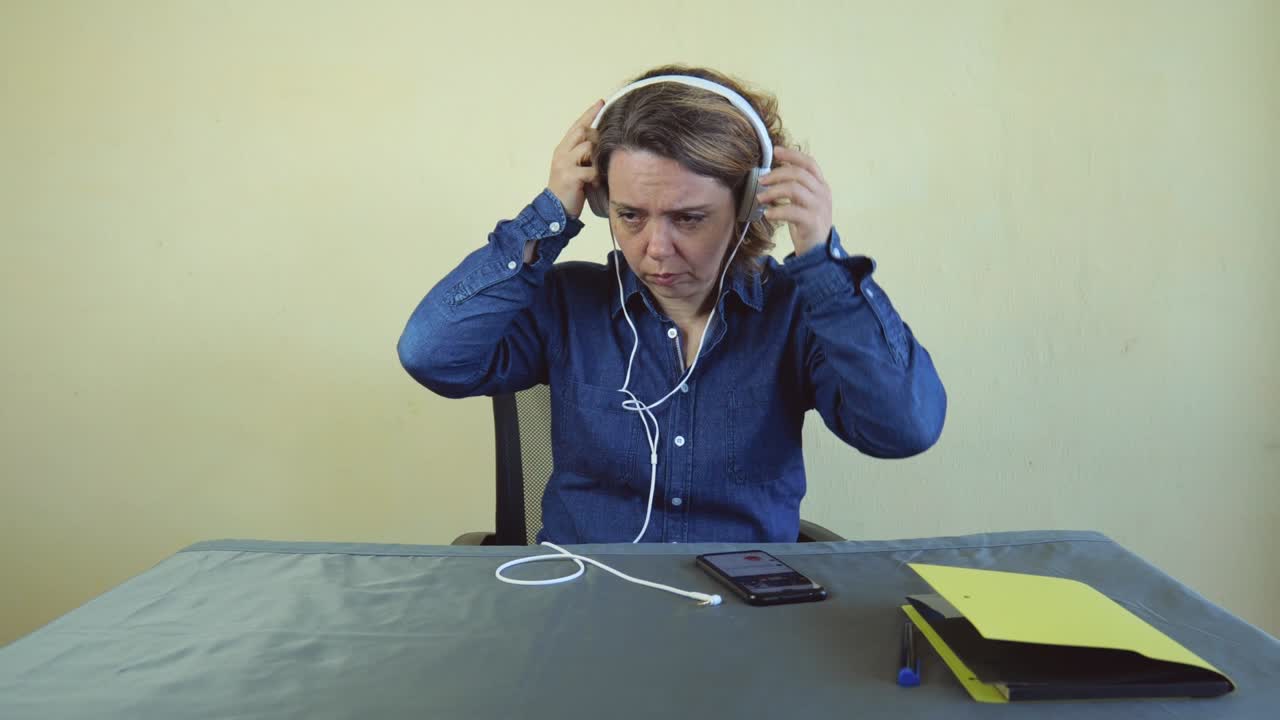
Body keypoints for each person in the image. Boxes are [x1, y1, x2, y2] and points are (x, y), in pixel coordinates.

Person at [398, 65, 946, 544]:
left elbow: (904, 428)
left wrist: (823, 265)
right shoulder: (566, 304)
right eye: (631, 215)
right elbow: (432, 354)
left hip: (743, 617)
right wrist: (546, 217)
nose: (655, 249)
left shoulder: (797, 316)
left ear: (750, 206)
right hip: (584, 606)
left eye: (688, 218)